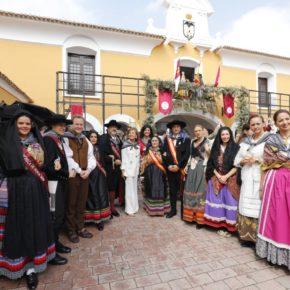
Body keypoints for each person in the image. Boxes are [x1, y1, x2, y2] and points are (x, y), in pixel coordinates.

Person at [0, 111, 55, 289]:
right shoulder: (5, 141)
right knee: (15, 226)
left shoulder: (37, 142)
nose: (24, 126)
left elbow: (44, 165)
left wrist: (50, 165)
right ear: (15, 125)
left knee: (32, 225)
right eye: (21, 123)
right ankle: (14, 264)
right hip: (13, 189)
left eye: (27, 124)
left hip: (34, 189)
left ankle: (31, 269)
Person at [256, 109, 290, 269]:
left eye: (287, 119)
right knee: (277, 216)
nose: (285, 122)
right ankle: (275, 254)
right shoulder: (271, 140)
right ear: (276, 124)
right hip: (275, 180)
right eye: (281, 120)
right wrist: (262, 187)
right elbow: (266, 164)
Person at [234, 115, 271, 247]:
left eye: (257, 124)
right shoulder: (245, 142)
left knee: (258, 206)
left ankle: (258, 237)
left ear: (263, 124)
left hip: (261, 177)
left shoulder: (270, 140)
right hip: (247, 177)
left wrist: (257, 160)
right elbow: (236, 160)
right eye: (253, 125)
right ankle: (246, 236)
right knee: (245, 205)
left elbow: (274, 160)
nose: (255, 127)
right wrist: (242, 161)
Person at [43, 114, 73, 265]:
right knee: (55, 215)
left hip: (58, 182)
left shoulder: (58, 139)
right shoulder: (49, 139)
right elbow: (48, 166)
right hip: (52, 184)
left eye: (64, 125)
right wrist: (65, 172)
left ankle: (56, 243)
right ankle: (51, 251)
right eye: (59, 125)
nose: (63, 127)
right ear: (52, 126)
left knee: (58, 214)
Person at [64, 115, 96, 243]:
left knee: (82, 202)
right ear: (72, 124)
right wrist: (79, 170)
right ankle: (71, 229)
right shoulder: (66, 139)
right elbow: (68, 157)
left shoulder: (86, 140)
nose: (78, 126)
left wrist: (88, 170)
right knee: (71, 202)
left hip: (84, 175)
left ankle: (80, 227)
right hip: (73, 175)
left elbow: (91, 157)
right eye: (76, 124)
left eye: (81, 124)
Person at [204, 127, 240, 236]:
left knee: (230, 201)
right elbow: (211, 164)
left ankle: (230, 226)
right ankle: (219, 225)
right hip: (216, 178)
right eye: (222, 134)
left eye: (227, 134)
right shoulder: (215, 147)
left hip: (231, 178)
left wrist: (226, 177)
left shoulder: (236, 147)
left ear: (230, 135)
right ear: (219, 136)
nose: (225, 136)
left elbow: (237, 165)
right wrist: (219, 176)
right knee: (218, 201)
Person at [183, 125, 210, 227]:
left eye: (199, 130)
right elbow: (191, 156)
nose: (197, 132)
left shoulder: (208, 142)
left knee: (200, 192)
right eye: (196, 131)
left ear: (203, 131)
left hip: (201, 168)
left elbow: (211, 156)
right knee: (191, 190)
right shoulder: (192, 142)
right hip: (192, 168)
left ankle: (200, 220)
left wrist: (208, 150)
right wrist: (187, 165)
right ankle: (190, 217)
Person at [163, 120, 190, 218]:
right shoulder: (167, 139)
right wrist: (168, 166)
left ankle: (184, 212)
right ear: (171, 128)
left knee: (182, 191)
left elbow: (187, 155)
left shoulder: (186, 140)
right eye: (174, 127)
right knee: (172, 190)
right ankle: (173, 210)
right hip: (170, 169)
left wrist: (178, 166)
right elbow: (164, 154)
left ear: (180, 128)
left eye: (178, 127)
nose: (176, 128)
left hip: (181, 169)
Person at [84, 130, 111, 231]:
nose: (93, 139)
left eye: (95, 137)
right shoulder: (85, 148)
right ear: (88, 138)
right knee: (90, 196)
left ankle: (100, 219)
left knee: (101, 195)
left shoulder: (100, 148)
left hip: (100, 175)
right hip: (89, 175)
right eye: (91, 137)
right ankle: (90, 218)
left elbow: (104, 160)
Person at [141, 136, 170, 216]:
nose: (154, 142)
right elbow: (143, 162)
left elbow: (166, 161)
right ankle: (151, 209)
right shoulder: (147, 151)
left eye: (156, 141)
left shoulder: (163, 151)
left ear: (159, 142)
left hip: (160, 173)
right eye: (153, 141)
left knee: (160, 189)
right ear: (151, 142)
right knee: (151, 189)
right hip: (150, 173)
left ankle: (161, 209)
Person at [99, 120, 123, 218]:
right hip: (108, 167)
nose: (114, 129)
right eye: (112, 127)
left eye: (115, 127)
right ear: (107, 129)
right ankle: (110, 208)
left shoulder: (118, 139)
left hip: (117, 168)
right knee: (109, 187)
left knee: (113, 187)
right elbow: (102, 154)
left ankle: (112, 207)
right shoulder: (104, 138)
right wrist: (113, 160)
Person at [121, 128, 140, 216]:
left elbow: (138, 158)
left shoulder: (137, 145)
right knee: (129, 190)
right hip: (128, 170)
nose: (131, 134)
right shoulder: (125, 145)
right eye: (130, 133)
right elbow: (124, 158)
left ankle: (135, 207)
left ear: (136, 135)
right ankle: (129, 209)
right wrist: (123, 170)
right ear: (128, 135)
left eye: (133, 133)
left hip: (135, 170)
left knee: (134, 189)